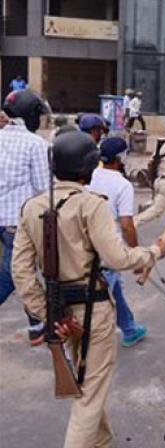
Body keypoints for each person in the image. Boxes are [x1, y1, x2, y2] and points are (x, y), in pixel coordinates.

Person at [12, 131, 165, 447]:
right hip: (92, 310)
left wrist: (48, 312)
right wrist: (152, 252)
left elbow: (21, 270)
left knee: (84, 382)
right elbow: (118, 257)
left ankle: (100, 440)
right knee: (89, 392)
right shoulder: (91, 205)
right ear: (87, 167)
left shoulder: (32, 206)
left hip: (61, 311)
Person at [0, 89, 49, 344]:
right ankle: (39, 322)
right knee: (15, 273)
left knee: (24, 271)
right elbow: (43, 188)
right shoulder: (36, 144)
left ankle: (37, 324)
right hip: (15, 221)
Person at [88, 137, 148, 347]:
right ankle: (86, 344)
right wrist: (136, 256)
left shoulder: (90, 176)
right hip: (108, 250)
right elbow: (126, 225)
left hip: (86, 244)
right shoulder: (122, 185)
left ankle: (129, 329)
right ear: (121, 157)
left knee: (114, 290)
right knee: (99, 300)